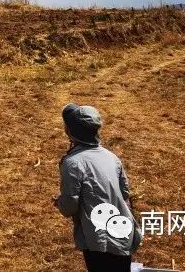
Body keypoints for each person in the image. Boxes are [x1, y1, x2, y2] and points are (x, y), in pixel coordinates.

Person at [54, 103, 141, 272]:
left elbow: (70, 205)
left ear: (70, 131)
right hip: (123, 232)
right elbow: (124, 192)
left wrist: (59, 203)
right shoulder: (111, 157)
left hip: (99, 239)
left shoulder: (72, 163)